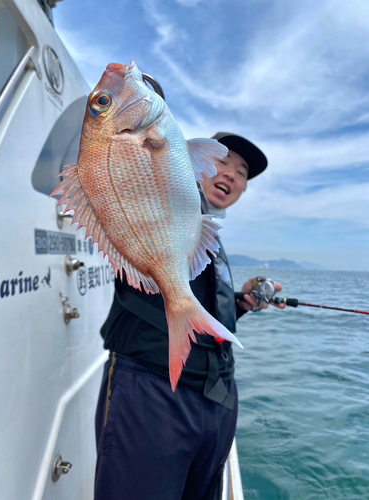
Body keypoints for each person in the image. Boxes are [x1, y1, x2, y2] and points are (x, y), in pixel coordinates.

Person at [94, 132, 284, 500]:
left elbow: (199, 313)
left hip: (216, 401)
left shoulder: (212, 238)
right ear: (193, 162)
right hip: (153, 392)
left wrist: (241, 304)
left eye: (241, 171)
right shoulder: (163, 200)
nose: (230, 174)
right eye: (222, 160)